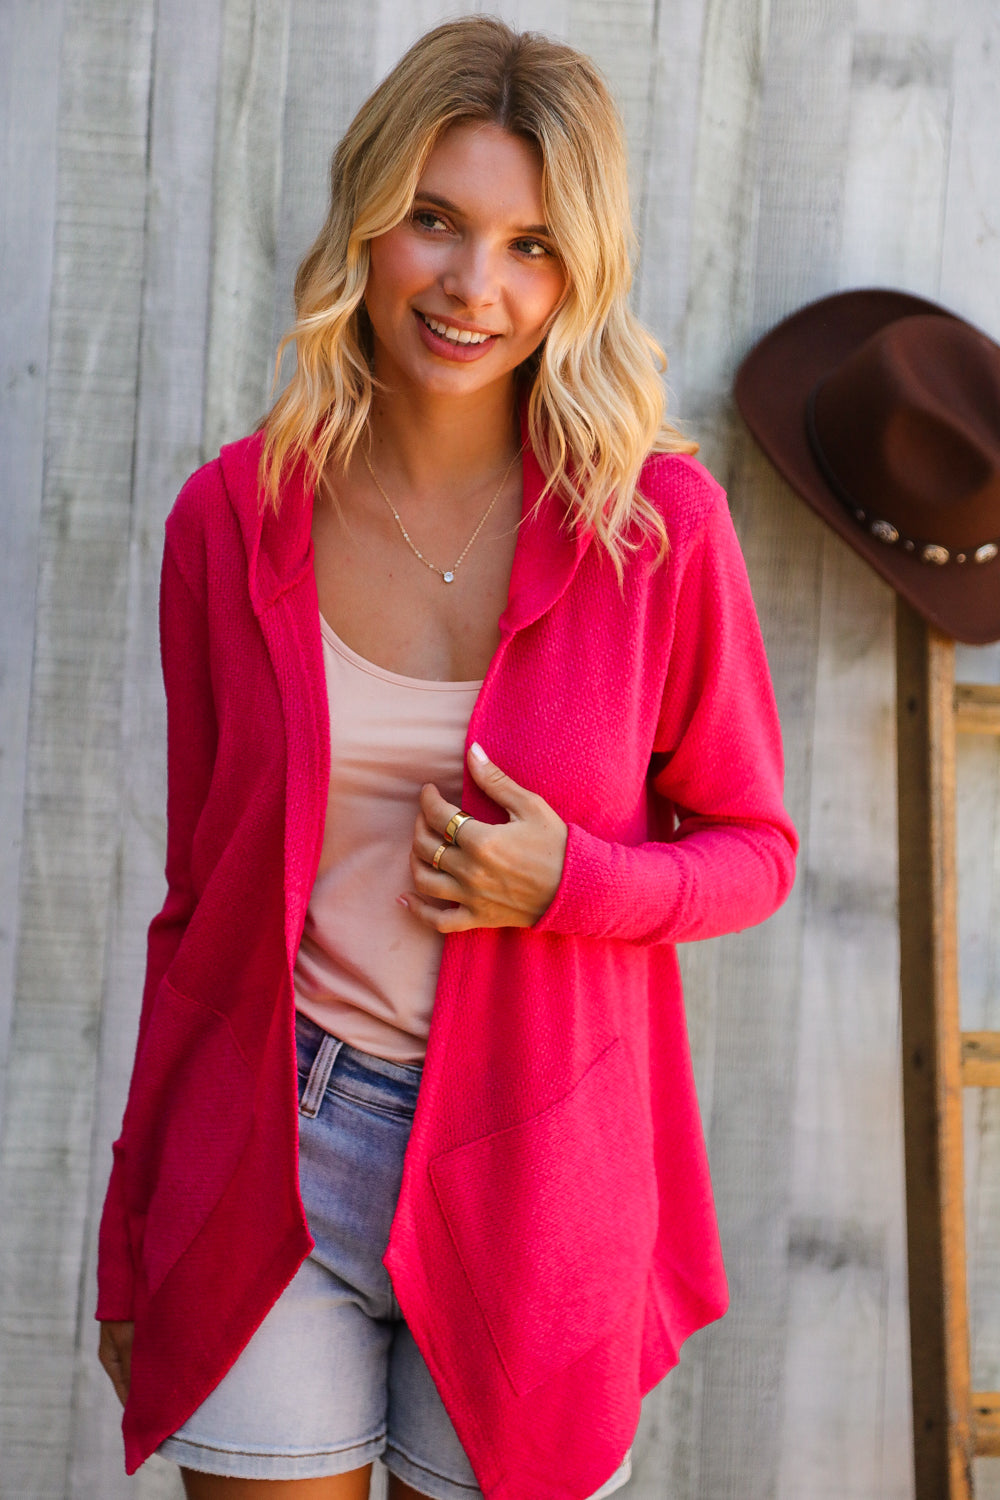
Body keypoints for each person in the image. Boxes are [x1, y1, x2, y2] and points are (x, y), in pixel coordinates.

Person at [96, 16, 797, 1500]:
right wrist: (131, 1225)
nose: (477, 287)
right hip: (273, 1146)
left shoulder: (655, 531)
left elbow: (756, 849)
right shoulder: (232, 524)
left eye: (533, 245)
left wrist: (574, 880)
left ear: (581, 270)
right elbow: (195, 908)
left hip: (541, 1180)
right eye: (437, 221)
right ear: (370, 215)